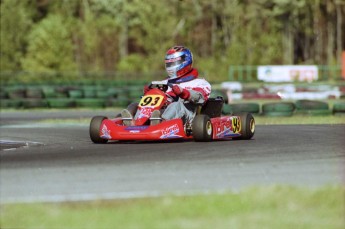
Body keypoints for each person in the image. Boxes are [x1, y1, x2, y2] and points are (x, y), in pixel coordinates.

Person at [121, 45, 211, 126]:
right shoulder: (164, 82)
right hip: (160, 111)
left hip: (187, 115)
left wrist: (184, 93)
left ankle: (161, 123)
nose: (170, 66)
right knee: (135, 105)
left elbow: (201, 98)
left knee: (175, 105)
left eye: (172, 63)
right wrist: (149, 92)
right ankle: (133, 123)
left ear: (185, 61)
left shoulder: (199, 82)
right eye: (168, 63)